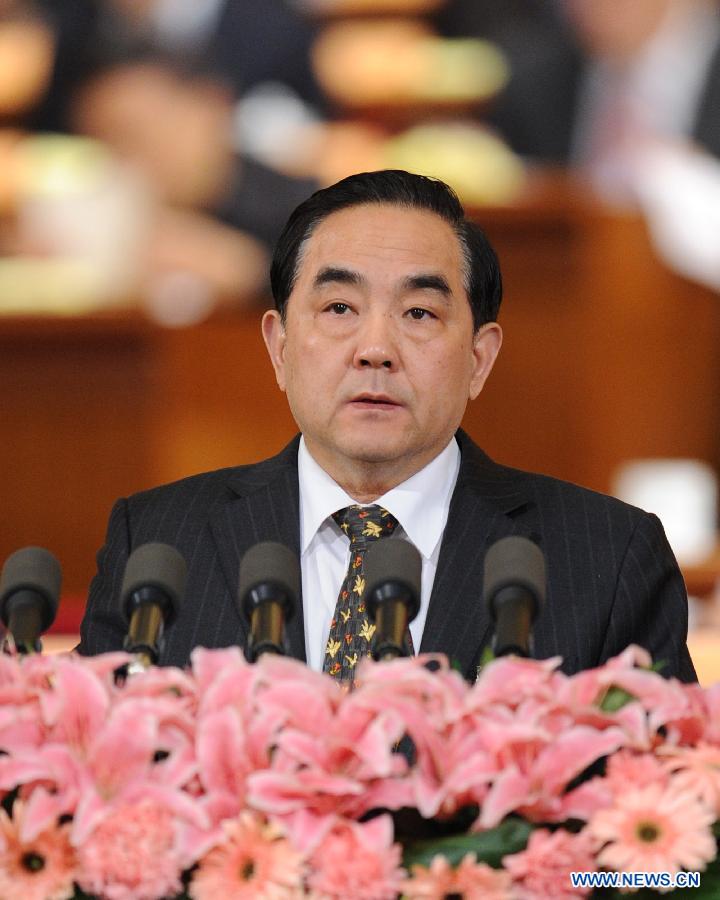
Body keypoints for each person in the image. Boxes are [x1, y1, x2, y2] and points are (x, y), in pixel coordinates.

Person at [79, 169, 697, 683]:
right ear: (279, 348)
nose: (375, 349)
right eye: (340, 308)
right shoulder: (158, 545)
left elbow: (665, 799)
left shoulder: (606, 558)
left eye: (419, 312)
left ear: (479, 359)